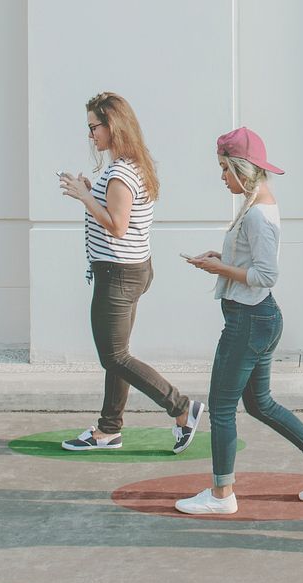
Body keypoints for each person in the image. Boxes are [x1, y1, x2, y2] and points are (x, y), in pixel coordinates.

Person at [174, 127, 303, 515]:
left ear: (242, 169)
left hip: (250, 321)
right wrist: (220, 260)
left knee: (220, 408)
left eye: (224, 169)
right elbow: (252, 263)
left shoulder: (259, 216)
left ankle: (222, 496)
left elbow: (267, 275)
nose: (221, 178)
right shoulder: (256, 206)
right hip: (259, 319)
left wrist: (219, 267)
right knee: (259, 403)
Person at [58, 92, 204, 454]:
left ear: (113, 125)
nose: (91, 135)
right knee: (117, 353)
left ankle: (182, 408)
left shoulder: (122, 171)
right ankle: (108, 429)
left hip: (118, 273)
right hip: (130, 269)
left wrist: (84, 197)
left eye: (94, 127)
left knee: (114, 356)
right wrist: (94, 193)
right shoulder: (134, 165)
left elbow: (118, 226)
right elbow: (121, 214)